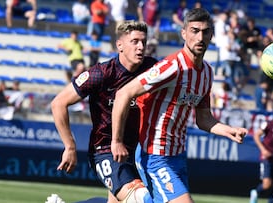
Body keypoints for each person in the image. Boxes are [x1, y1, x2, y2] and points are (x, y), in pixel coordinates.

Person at [111, 8, 248, 203]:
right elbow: (124, 93)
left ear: (212, 35)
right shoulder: (171, 67)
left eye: (205, 32)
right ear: (183, 33)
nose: (200, 37)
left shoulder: (207, 73)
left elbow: (204, 119)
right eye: (194, 31)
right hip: (154, 156)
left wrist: (228, 130)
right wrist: (117, 141)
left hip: (178, 156)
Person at [50, 20, 158, 203]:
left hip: (138, 151)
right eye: (135, 42)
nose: (141, 47)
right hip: (105, 149)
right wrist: (70, 146)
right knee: (139, 199)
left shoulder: (152, 69)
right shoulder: (102, 73)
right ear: (120, 45)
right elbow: (58, 103)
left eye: (143, 42)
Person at [250, 104, 273, 203]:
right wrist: (263, 150)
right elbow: (256, 135)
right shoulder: (269, 124)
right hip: (267, 158)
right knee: (267, 184)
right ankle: (255, 192)